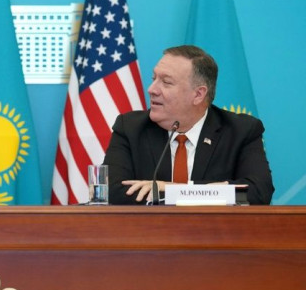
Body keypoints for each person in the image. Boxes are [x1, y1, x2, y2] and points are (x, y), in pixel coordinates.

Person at [103, 45, 274, 205]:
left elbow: (259, 192)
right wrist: (203, 192)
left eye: (166, 82)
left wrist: (172, 189)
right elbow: (112, 191)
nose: (152, 89)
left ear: (198, 94)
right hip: (149, 235)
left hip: (215, 235)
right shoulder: (131, 127)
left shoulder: (241, 131)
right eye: (154, 79)